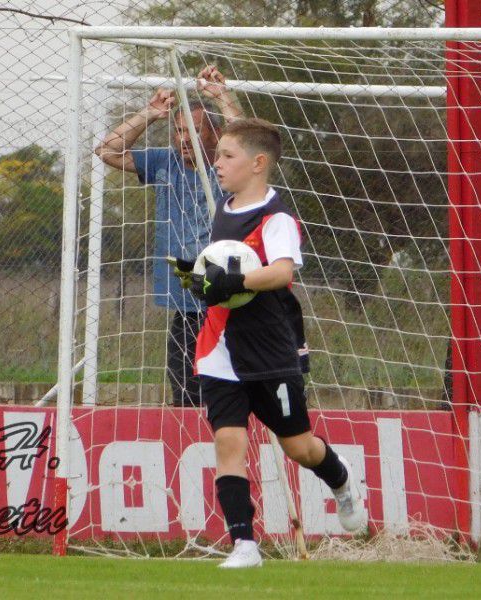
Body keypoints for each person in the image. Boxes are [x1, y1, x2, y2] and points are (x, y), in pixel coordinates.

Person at [178, 118, 362, 568]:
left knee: (298, 447)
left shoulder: (276, 219)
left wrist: (233, 280)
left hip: (269, 350)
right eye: (217, 154)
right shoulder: (224, 205)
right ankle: (244, 544)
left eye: (226, 156)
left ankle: (340, 480)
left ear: (258, 164)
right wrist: (203, 281)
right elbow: (221, 271)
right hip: (219, 348)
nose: (217, 163)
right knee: (228, 442)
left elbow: (281, 273)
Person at [95, 66, 242, 407]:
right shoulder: (165, 162)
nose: (184, 137)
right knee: (186, 396)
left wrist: (223, 97)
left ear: (217, 136)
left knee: (235, 396)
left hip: (232, 302)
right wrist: (149, 113)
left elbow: (248, 140)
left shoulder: (228, 169)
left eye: (194, 129)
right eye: (179, 130)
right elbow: (107, 151)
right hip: (188, 305)